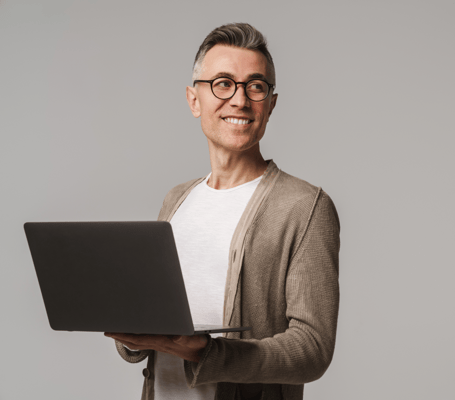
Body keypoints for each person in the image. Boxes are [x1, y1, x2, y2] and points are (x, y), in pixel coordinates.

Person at [104, 23, 340, 400]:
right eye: (223, 83)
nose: (240, 100)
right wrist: (130, 334)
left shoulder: (305, 207)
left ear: (271, 104)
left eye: (256, 86)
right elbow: (153, 326)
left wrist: (211, 354)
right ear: (193, 99)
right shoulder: (176, 200)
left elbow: (312, 350)